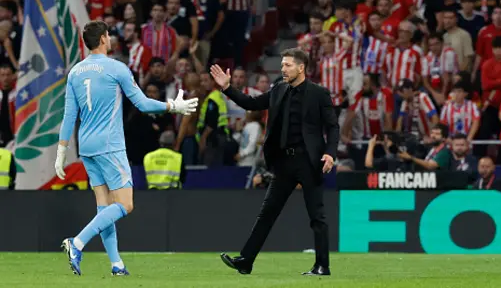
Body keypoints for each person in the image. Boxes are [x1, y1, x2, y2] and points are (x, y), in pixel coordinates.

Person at [55, 21, 198, 276]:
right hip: (110, 145)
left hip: (86, 147)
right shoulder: (116, 68)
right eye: (108, 35)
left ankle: (117, 265)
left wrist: (61, 153)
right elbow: (142, 104)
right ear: (102, 40)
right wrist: (172, 107)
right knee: (125, 205)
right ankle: (77, 243)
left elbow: (69, 116)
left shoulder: (75, 72)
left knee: (105, 207)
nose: (110, 39)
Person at [211, 48, 338, 276]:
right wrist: (228, 88)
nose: (282, 69)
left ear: (301, 67)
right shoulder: (278, 89)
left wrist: (330, 153)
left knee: (317, 216)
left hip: (309, 162)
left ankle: (322, 266)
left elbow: (332, 127)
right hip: (283, 163)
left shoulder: (319, 93)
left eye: (287, 65)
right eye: (282, 65)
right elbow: (251, 104)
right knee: (266, 213)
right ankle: (246, 260)